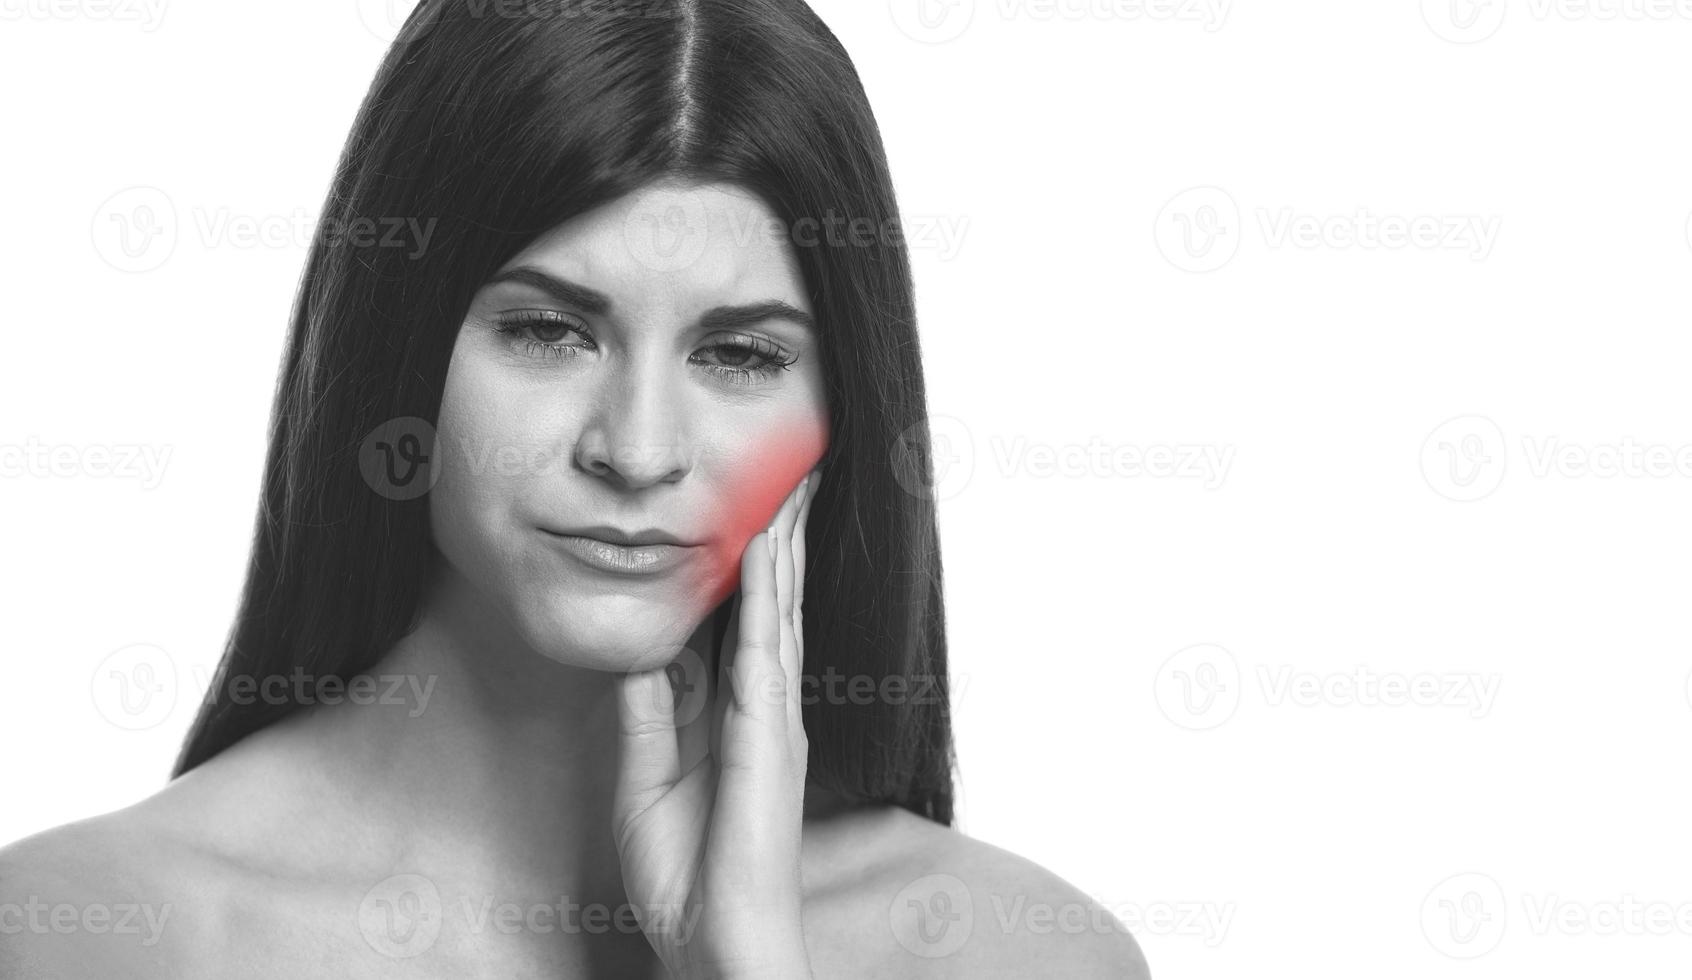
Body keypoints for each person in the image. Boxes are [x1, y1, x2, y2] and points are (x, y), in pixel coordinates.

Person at [0, 1, 1149, 976]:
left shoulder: (1017, 949)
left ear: (838, 417)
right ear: (401, 351)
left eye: (739, 356)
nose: (637, 448)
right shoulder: (85, 930)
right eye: (549, 331)